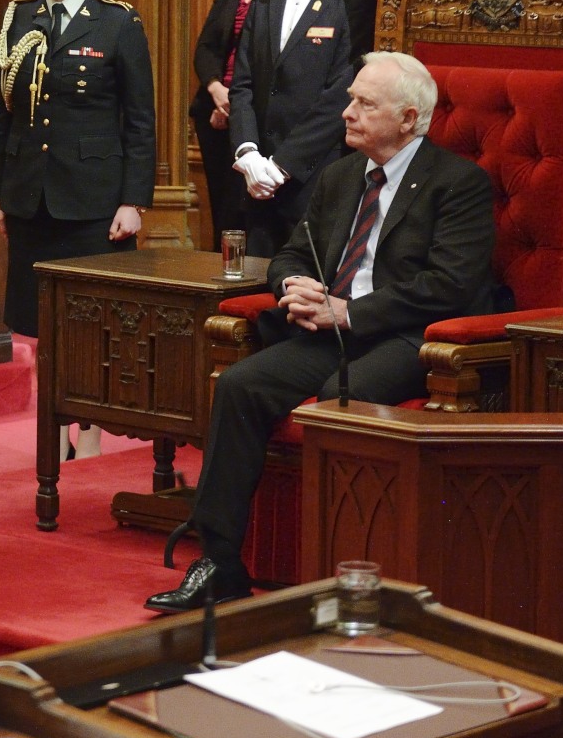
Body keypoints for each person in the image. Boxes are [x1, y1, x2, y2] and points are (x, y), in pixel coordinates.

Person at [145, 52, 496, 612]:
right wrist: (296, 288)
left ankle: (337, 571)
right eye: (350, 98)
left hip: (411, 336)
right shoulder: (340, 176)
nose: (347, 112)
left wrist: (350, 313)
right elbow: (288, 255)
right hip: (328, 326)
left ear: (408, 119)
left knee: (340, 398)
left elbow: (449, 285)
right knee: (241, 385)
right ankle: (219, 561)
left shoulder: (457, 184)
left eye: (364, 103)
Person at [0, 0, 156, 457]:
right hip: (32, 197)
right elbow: (4, 116)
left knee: (91, 324)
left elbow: (139, 120)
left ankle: (89, 437)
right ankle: (52, 433)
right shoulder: (18, 19)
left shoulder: (116, 22)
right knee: (40, 324)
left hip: (92, 199)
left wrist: (133, 201)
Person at [228, 0, 377, 257]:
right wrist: (247, 153)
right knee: (253, 296)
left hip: (316, 177)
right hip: (256, 182)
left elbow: (342, 92)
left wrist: (282, 165)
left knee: (306, 297)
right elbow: (242, 83)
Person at [189, 0, 284, 243]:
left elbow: (274, 60)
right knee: (224, 207)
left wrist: (235, 104)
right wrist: (217, 90)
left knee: (253, 211)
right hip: (215, 110)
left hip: (257, 113)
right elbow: (206, 48)